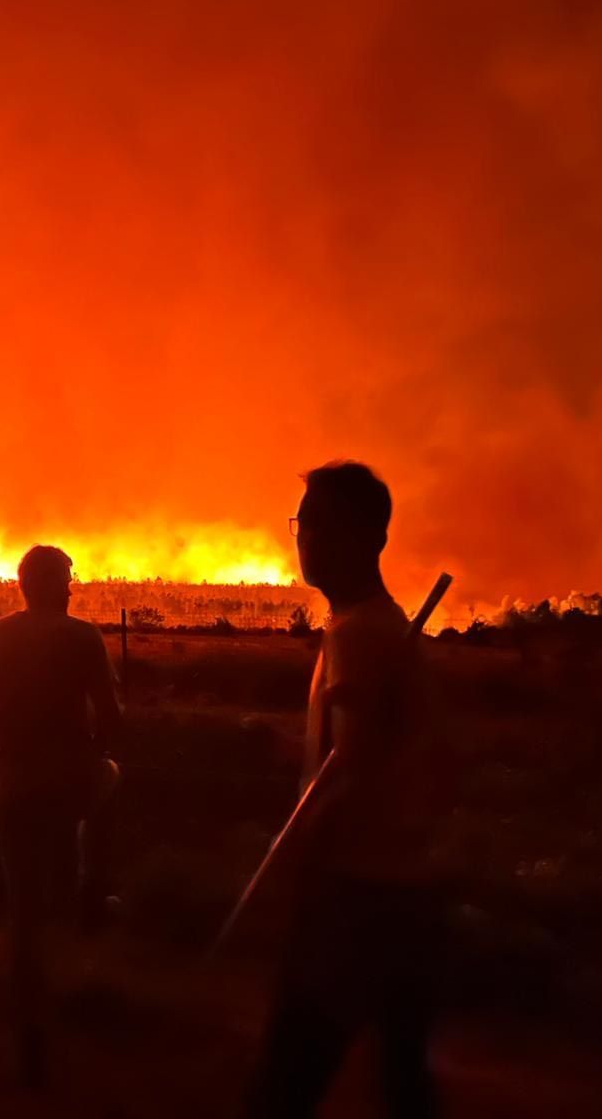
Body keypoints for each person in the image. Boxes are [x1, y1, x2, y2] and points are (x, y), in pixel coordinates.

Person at [245, 462, 443, 1119]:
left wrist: (295, 864)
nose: (306, 538)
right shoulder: (375, 628)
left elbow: (350, 770)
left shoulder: (361, 636)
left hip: (353, 893)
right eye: (304, 523)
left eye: (322, 523)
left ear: (370, 538)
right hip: (403, 888)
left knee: (286, 1081)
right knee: (402, 1082)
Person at [0, 544, 121, 1086]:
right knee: (112, 784)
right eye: (68, 579)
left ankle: (30, 1021)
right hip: (71, 779)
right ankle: (96, 889)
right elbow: (111, 714)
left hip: (14, 781)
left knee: (23, 903)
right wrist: (97, 755)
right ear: (52, 583)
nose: (73, 588)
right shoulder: (82, 637)